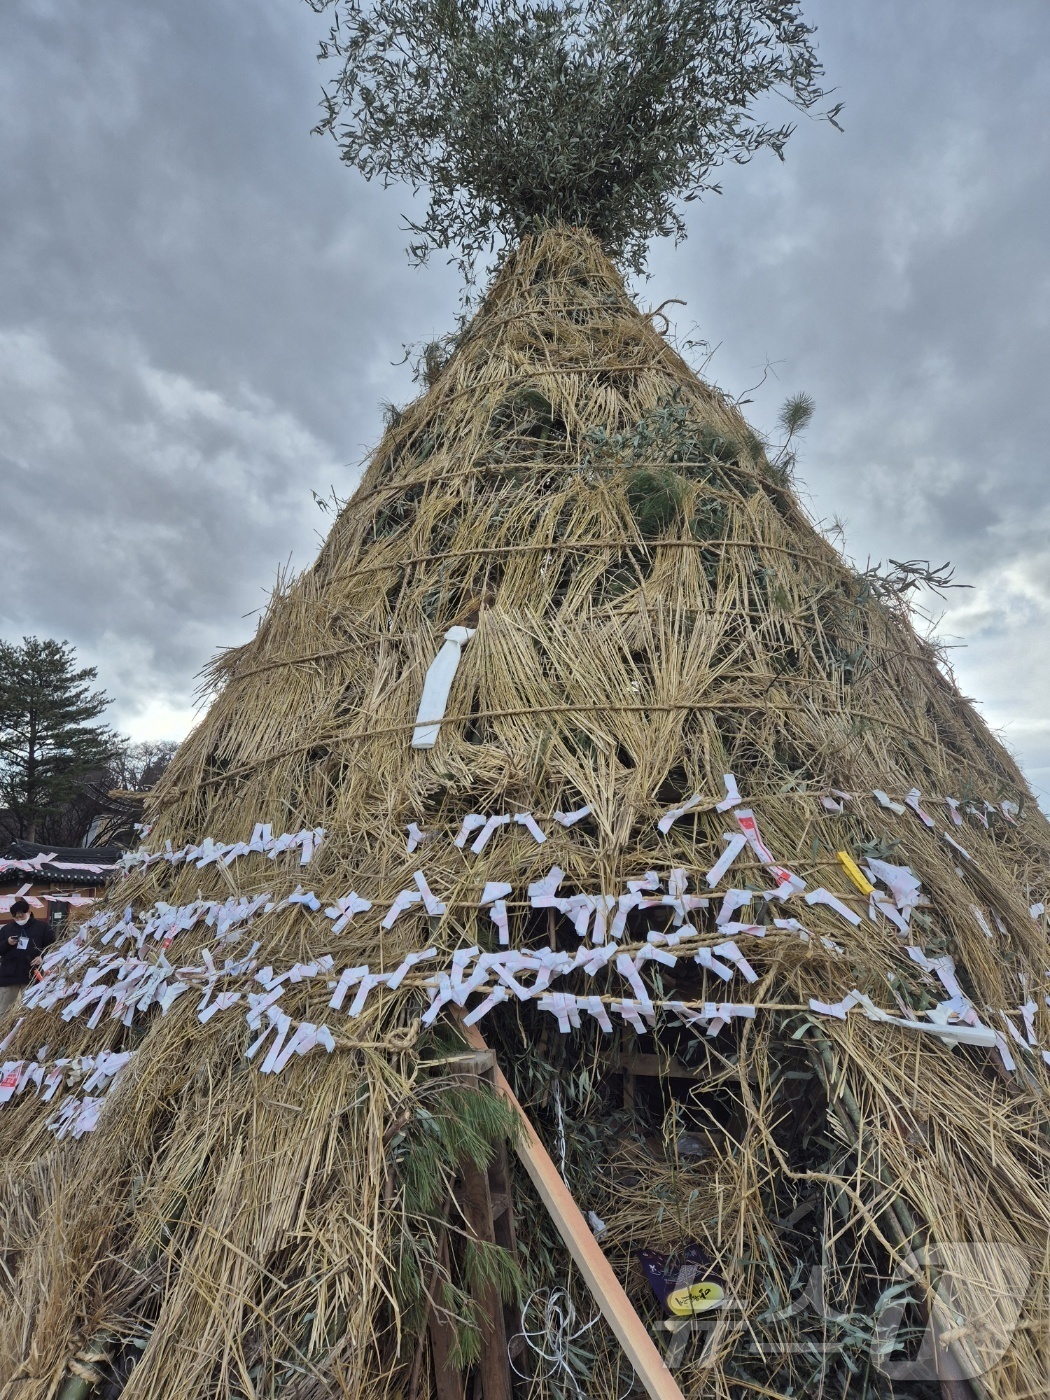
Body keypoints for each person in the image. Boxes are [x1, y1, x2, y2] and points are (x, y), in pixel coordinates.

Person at [0, 898, 54, 1017]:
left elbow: (53, 947)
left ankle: (24, 1034)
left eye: (21, 916)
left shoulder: (43, 928)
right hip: (9, 975)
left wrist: (43, 957)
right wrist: (7, 943)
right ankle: (3, 1034)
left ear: (29, 912)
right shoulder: (6, 929)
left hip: (32, 974)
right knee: (4, 1010)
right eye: (15, 917)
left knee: (30, 1009)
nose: (19, 920)